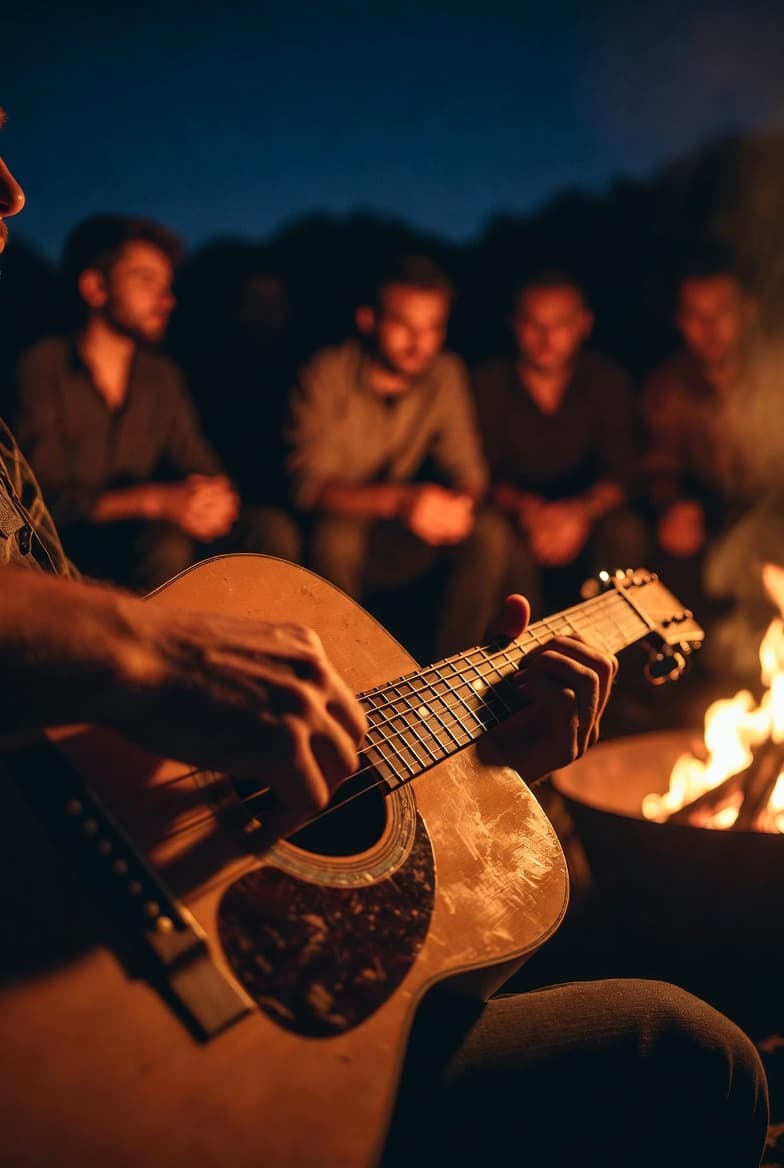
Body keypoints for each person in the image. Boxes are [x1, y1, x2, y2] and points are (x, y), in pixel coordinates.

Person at [0, 123, 768, 1167]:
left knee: (687, 1043)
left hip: (174, 960)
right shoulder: (66, 373)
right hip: (51, 968)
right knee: (692, 1062)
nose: (11, 194)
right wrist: (154, 649)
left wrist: (483, 754)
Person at [14, 214, 299, 592]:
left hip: (154, 529)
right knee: (163, 542)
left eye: (167, 283)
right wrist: (154, 500)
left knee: (269, 530)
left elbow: (196, 460)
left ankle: (265, 646)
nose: (166, 298)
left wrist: (210, 499)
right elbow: (42, 499)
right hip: (74, 545)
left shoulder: (159, 376)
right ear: (95, 287)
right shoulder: (43, 366)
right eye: (145, 279)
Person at [287, 254, 511, 659]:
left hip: (404, 536)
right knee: (336, 538)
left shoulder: (445, 372)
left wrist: (456, 504)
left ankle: (456, 678)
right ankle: (348, 678)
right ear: (368, 319)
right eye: (404, 325)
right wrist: (403, 500)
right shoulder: (326, 372)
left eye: (432, 328)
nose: (418, 342)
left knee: (489, 533)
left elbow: (469, 470)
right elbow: (309, 486)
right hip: (343, 531)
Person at [641, 249, 784, 679]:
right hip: (708, 519)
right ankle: (679, 685)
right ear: (681, 322)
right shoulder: (668, 386)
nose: (709, 330)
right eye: (695, 316)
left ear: (747, 312)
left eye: (720, 313)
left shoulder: (776, 373)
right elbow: (658, 466)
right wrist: (670, 506)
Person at [474, 271, 647, 616]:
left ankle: (614, 655)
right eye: (534, 324)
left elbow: (625, 470)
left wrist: (581, 512)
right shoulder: (489, 383)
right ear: (515, 324)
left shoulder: (606, 381)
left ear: (583, 324)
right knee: (498, 540)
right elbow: (480, 472)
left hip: (589, 512)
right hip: (518, 514)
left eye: (560, 324)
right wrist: (529, 510)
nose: (546, 338)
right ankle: (517, 658)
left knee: (626, 533)